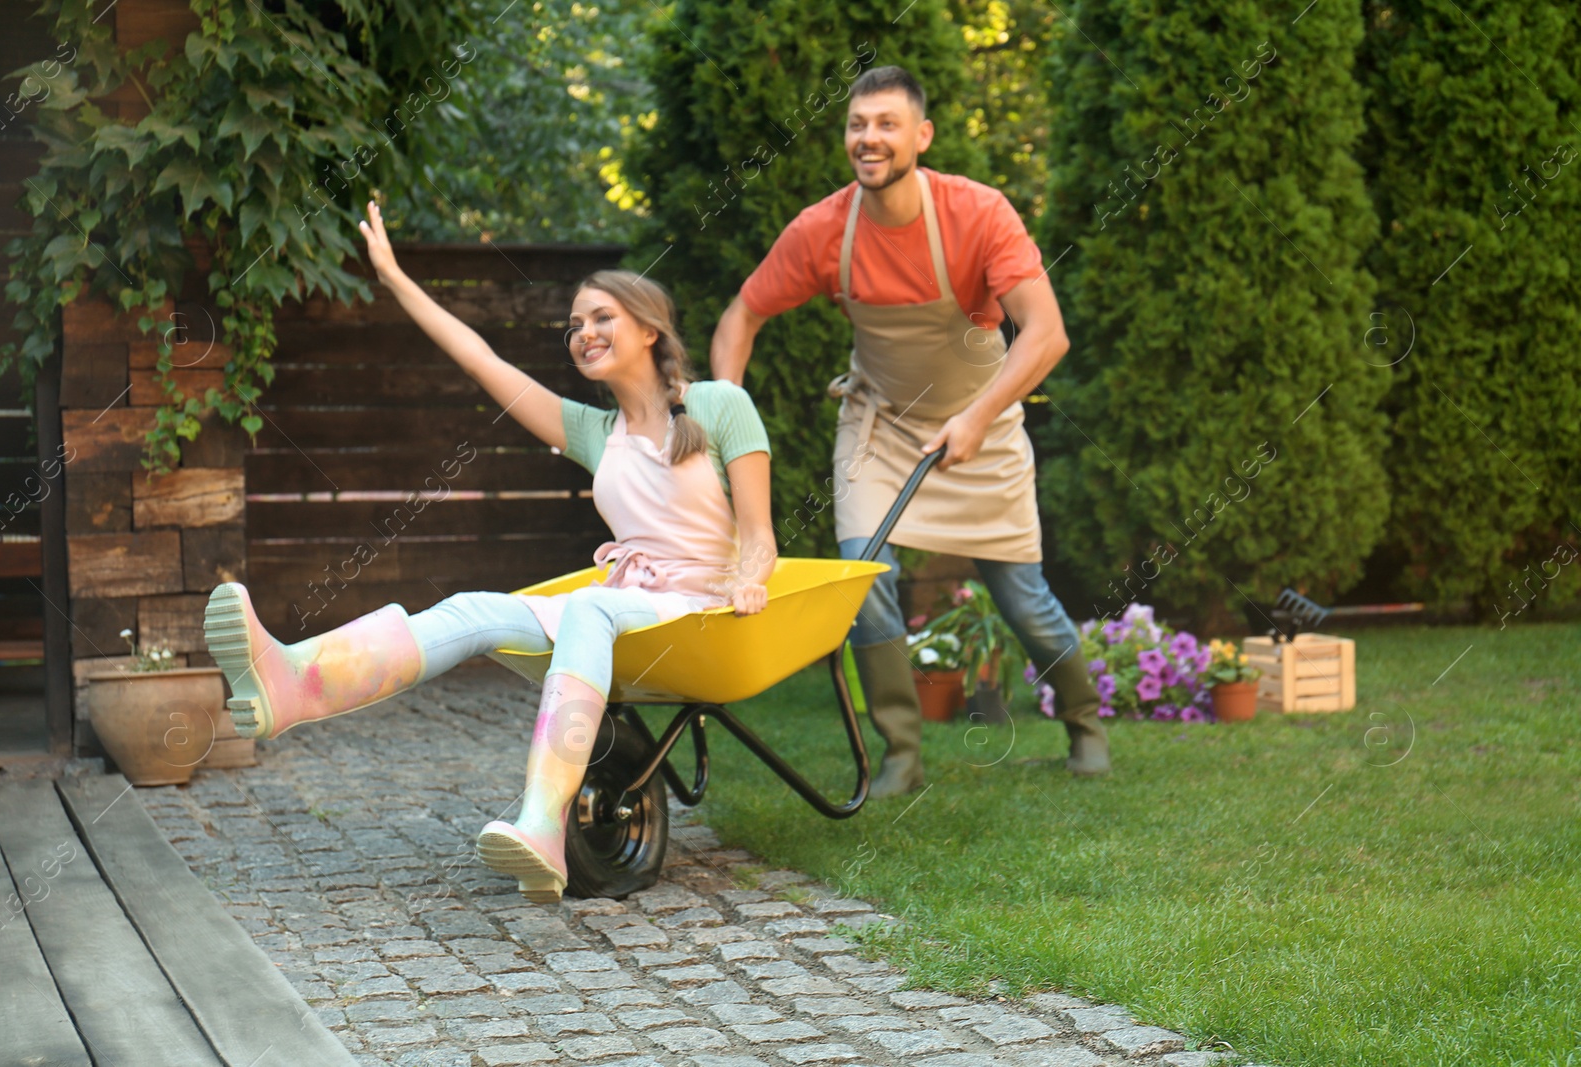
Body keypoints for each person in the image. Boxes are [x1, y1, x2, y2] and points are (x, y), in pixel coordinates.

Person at [203, 199, 775, 903]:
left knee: (590, 606)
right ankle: (296, 680)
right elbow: (481, 360)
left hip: (701, 610)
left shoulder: (720, 405)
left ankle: (543, 820)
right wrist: (395, 277)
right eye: (573, 324)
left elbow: (758, 532)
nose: (583, 332)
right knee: (474, 609)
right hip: (630, 605)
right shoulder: (597, 432)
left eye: (601, 317)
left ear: (650, 328)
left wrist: (750, 580)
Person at [709, 66, 1109, 793]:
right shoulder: (823, 231)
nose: (870, 138)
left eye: (887, 124)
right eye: (858, 125)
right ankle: (900, 751)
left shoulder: (979, 213)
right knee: (865, 575)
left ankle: (1083, 720)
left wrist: (976, 417)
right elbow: (742, 316)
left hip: (981, 427)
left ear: (921, 136)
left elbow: (1047, 335)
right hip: (881, 426)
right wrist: (725, 415)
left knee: (1023, 599)